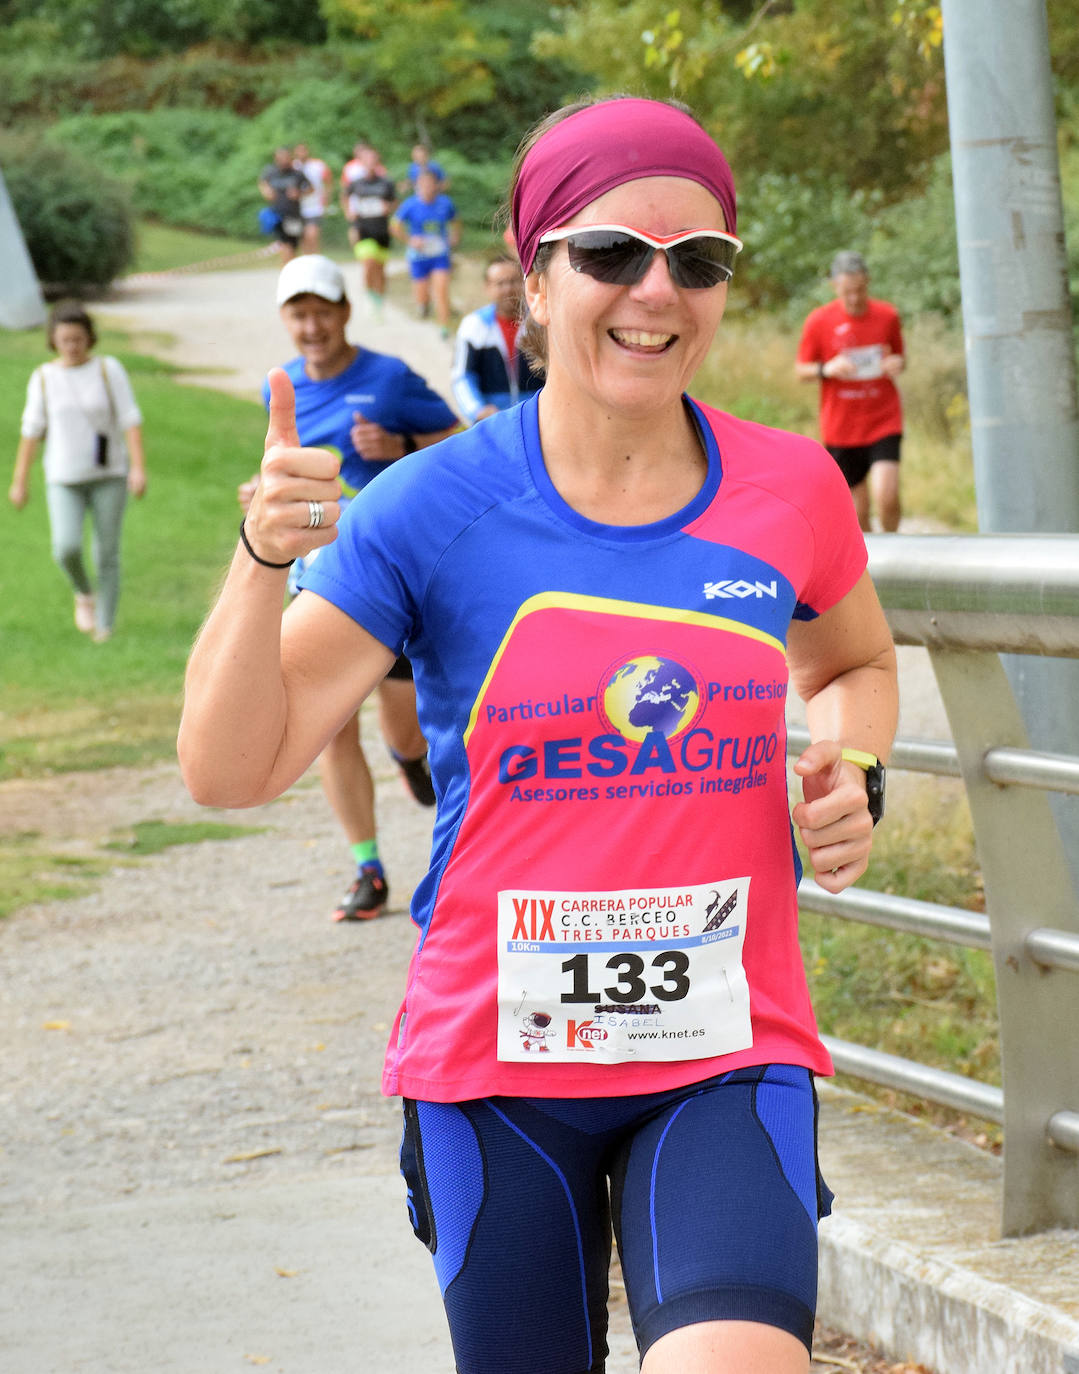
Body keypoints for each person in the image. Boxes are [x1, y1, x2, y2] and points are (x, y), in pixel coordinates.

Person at [179, 96, 897, 1374]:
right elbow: (233, 768)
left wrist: (857, 769)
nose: (656, 290)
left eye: (699, 260)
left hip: (721, 1053)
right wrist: (256, 563)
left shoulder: (788, 486)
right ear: (536, 274)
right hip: (493, 1072)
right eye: (611, 252)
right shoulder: (427, 507)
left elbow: (849, 661)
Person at [236, 253, 459, 922]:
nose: (311, 326)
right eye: (298, 314)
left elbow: (459, 448)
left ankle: (410, 758)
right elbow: (278, 468)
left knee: (406, 725)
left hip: (391, 579)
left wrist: (396, 447)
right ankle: (368, 868)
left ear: (343, 312)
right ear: (286, 319)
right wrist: (262, 495)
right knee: (327, 724)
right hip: (317, 578)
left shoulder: (389, 379)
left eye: (321, 312)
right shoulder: (281, 390)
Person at [9, 302, 146, 642]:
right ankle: (84, 592)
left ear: (90, 338)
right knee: (65, 547)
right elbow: (31, 431)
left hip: (108, 474)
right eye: (65, 339)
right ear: (53, 340)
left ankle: (105, 625)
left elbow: (130, 418)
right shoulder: (43, 378)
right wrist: (19, 481)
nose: (72, 346)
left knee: (106, 551)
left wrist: (138, 467)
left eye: (78, 338)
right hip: (63, 477)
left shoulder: (107, 369)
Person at [796, 250, 905, 532]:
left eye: (859, 290)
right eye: (847, 292)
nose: (854, 299)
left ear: (867, 282)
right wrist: (826, 369)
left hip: (883, 418)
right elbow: (801, 370)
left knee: (887, 495)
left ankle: (898, 556)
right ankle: (873, 567)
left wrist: (896, 363)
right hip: (842, 427)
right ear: (835, 287)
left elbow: (899, 357)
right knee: (858, 512)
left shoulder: (887, 315)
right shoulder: (819, 321)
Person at [450, 254, 544, 423]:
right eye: (500, 283)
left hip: (535, 417)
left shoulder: (542, 322)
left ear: (525, 283)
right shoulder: (474, 326)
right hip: (492, 420)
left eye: (514, 281)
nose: (508, 288)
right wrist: (477, 409)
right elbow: (462, 376)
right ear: (487, 287)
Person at [390, 168, 459, 337]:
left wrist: (454, 236)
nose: (427, 188)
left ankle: (444, 326)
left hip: (439, 255)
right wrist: (410, 240)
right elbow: (394, 226)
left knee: (441, 289)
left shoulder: (446, 203)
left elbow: (456, 221)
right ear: (418, 186)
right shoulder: (410, 204)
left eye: (431, 184)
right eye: (423, 184)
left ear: (436, 185)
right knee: (422, 295)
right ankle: (423, 305)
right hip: (418, 256)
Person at [340, 143, 397, 319]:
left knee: (380, 270)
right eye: (367, 160)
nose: (371, 163)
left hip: (381, 229)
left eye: (373, 160)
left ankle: (379, 301)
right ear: (361, 162)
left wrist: (389, 207)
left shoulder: (386, 183)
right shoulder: (356, 183)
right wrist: (348, 213)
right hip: (363, 228)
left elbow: (395, 203)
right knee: (368, 264)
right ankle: (368, 297)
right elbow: (344, 196)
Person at [257, 147, 311, 264]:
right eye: (280, 158)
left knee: (293, 245)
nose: (284, 161)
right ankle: (287, 269)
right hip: (277, 214)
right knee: (284, 244)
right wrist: (266, 190)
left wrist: (299, 193)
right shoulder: (271, 172)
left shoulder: (297, 174)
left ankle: (291, 267)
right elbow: (262, 182)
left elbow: (311, 188)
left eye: (286, 158)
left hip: (293, 215)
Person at [292, 142, 332, 255]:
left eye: (303, 150)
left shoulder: (318, 165)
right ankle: (307, 259)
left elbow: (328, 182)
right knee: (303, 238)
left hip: (314, 206)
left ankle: (316, 257)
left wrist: (326, 199)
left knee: (312, 235)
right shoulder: (293, 166)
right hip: (297, 208)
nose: (302, 153)